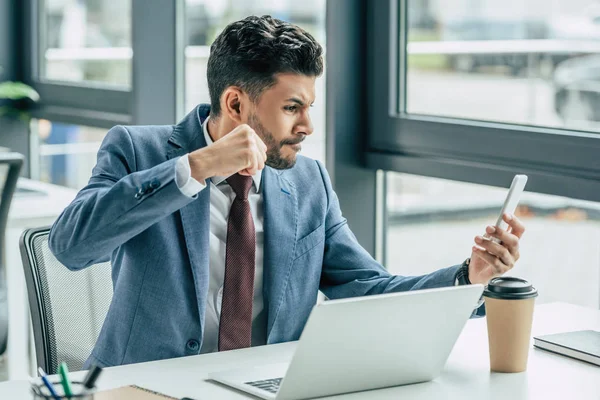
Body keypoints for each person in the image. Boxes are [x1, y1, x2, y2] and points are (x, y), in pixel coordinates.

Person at [49, 15, 525, 368]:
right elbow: (71, 247)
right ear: (235, 102)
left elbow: (368, 289)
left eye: (309, 107)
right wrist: (195, 168)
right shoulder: (140, 150)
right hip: (146, 389)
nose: (308, 126)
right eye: (292, 107)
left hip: (267, 387)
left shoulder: (308, 181)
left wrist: (469, 276)